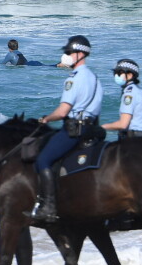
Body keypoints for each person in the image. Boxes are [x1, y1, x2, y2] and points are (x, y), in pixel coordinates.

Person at [29, 35, 103, 223]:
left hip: (74, 129)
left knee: (43, 159)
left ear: (79, 54)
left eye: (69, 52)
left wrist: (46, 118)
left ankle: (48, 207)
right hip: (92, 128)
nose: (67, 55)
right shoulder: (94, 77)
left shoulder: (73, 79)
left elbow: (63, 112)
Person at [102, 59, 142, 141]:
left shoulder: (129, 94)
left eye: (119, 73)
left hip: (132, 140)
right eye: (115, 73)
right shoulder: (141, 92)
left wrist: (102, 127)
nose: (116, 76)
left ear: (130, 75)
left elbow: (123, 124)